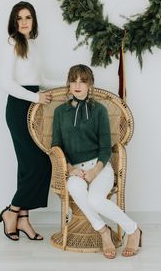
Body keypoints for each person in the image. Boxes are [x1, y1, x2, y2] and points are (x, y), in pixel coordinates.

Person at [51, 64, 142, 258]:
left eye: (82, 81)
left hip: (99, 167)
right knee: (74, 187)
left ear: (90, 85)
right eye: (73, 81)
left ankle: (133, 231)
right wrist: (69, 168)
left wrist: (94, 171)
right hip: (75, 170)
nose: (77, 85)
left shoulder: (99, 110)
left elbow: (105, 147)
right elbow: (56, 145)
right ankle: (104, 232)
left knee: (95, 200)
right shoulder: (60, 112)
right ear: (68, 84)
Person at [0, 1, 52, 241]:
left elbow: (41, 79)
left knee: (28, 166)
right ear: (14, 22)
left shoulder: (34, 44)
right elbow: (7, 83)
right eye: (19, 18)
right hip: (19, 108)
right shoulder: (12, 44)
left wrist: (69, 84)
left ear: (34, 20)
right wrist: (35, 97)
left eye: (28, 17)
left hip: (34, 106)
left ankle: (23, 220)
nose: (24, 22)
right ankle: (12, 211)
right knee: (38, 164)